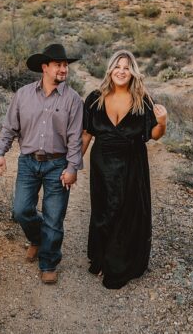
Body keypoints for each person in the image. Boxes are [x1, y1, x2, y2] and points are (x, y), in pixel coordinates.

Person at [0, 43, 84, 285]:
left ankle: (49, 262)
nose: (63, 69)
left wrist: (72, 168)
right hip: (28, 162)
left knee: (54, 217)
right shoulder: (23, 95)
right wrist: (0, 153)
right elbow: (10, 126)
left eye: (65, 65)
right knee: (21, 210)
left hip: (57, 164)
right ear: (45, 67)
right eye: (58, 65)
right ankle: (38, 237)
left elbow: (75, 137)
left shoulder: (73, 100)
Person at [81, 50, 167, 289]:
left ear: (133, 72)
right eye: (117, 66)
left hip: (132, 164)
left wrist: (163, 122)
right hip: (102, 164)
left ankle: (118, 264)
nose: (121, 71)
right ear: (110, 70)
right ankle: (101, 257)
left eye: (127, 67)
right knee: (103, 209)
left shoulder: (143, 99)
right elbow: (86, 134)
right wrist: (73, 163)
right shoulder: (95, 98)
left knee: (127, 212)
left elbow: (154, 135)